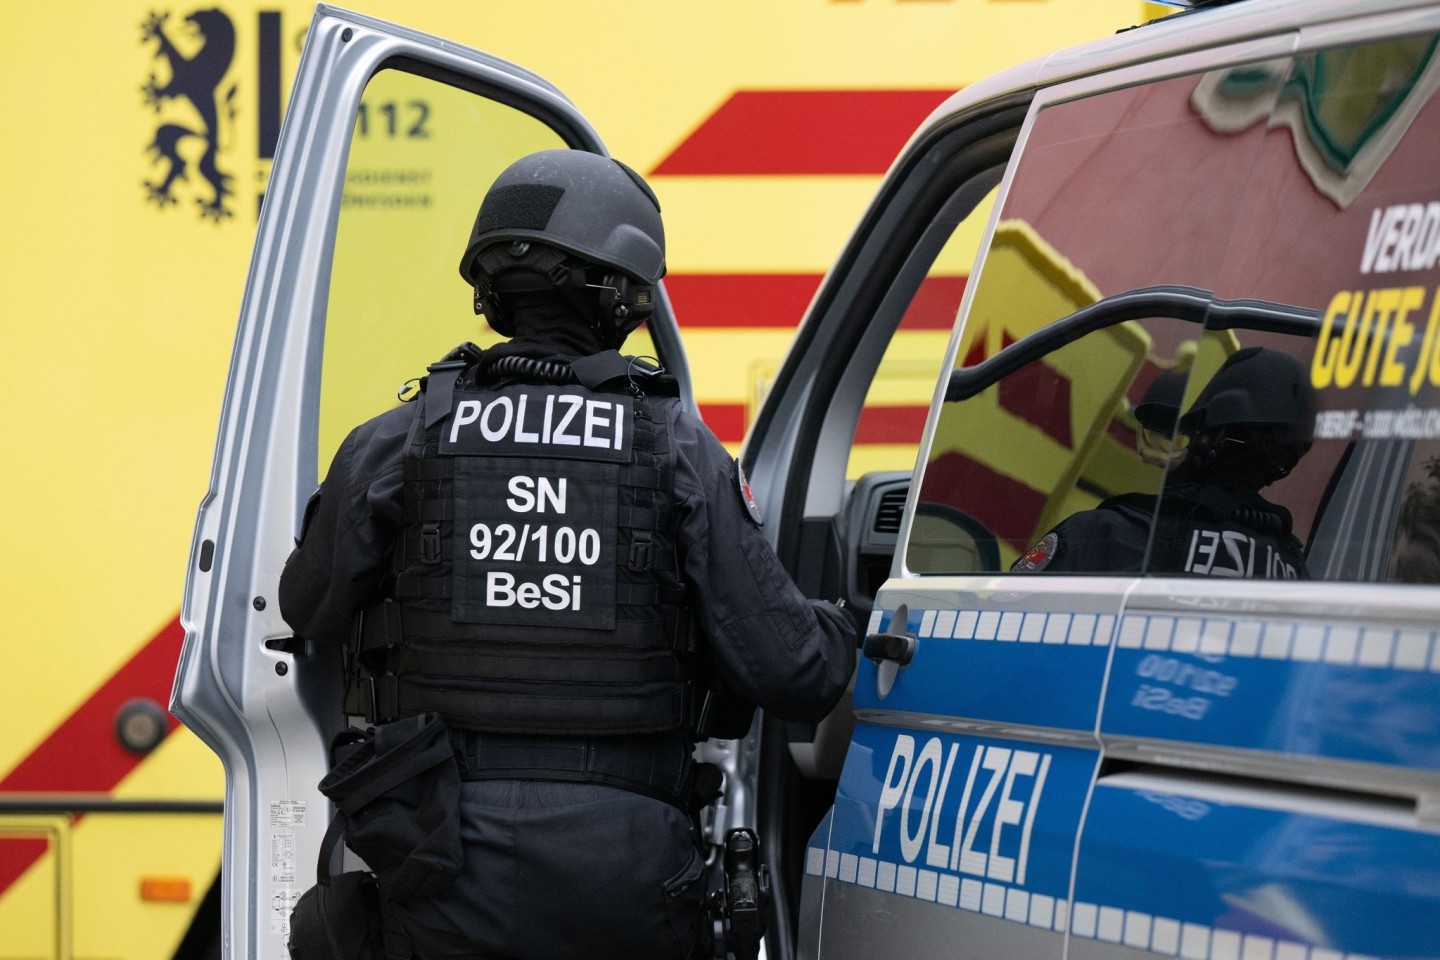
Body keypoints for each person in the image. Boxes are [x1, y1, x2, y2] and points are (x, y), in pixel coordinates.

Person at [277, 149, 856, 960]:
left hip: (433, 857)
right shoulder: (674, 448)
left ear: (489, 290)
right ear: (619, 293)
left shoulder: (398, 439)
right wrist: (849, 620)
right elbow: (793, 671)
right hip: (627, 869)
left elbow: (308, 605)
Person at [1012, 346, 1314, 579]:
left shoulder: (1105, 534)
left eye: (1192, 430)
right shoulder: (1293, 567)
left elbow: (1005, 622)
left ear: (1213, 438)